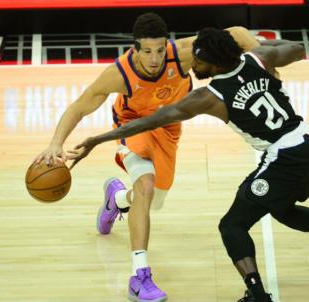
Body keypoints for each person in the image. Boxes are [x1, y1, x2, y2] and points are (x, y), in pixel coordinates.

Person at [67, 28, 309, 302]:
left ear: (215, 63)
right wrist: (264, 48)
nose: (195, 67)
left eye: (200, 62)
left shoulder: (210, 96)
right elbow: (297, 48)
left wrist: (97, 139)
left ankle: (257, 294)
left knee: (232, 225)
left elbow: (156, 119)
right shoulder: (260, 58)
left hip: (283, 158)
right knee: (283, 209)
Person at [34, 14, 261, 302]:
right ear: (135, 48)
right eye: (146, 51)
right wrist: (56, 143)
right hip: (132, 125)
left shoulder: (183, 54)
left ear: (166, 45)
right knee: (145, 185)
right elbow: (80, 105)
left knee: (154, 199)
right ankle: (139, 277)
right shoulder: (120, 73)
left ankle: (116, 199)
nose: (154, 59)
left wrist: (263, 66)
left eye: (158, 50)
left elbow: (239, 33)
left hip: (168, 128)